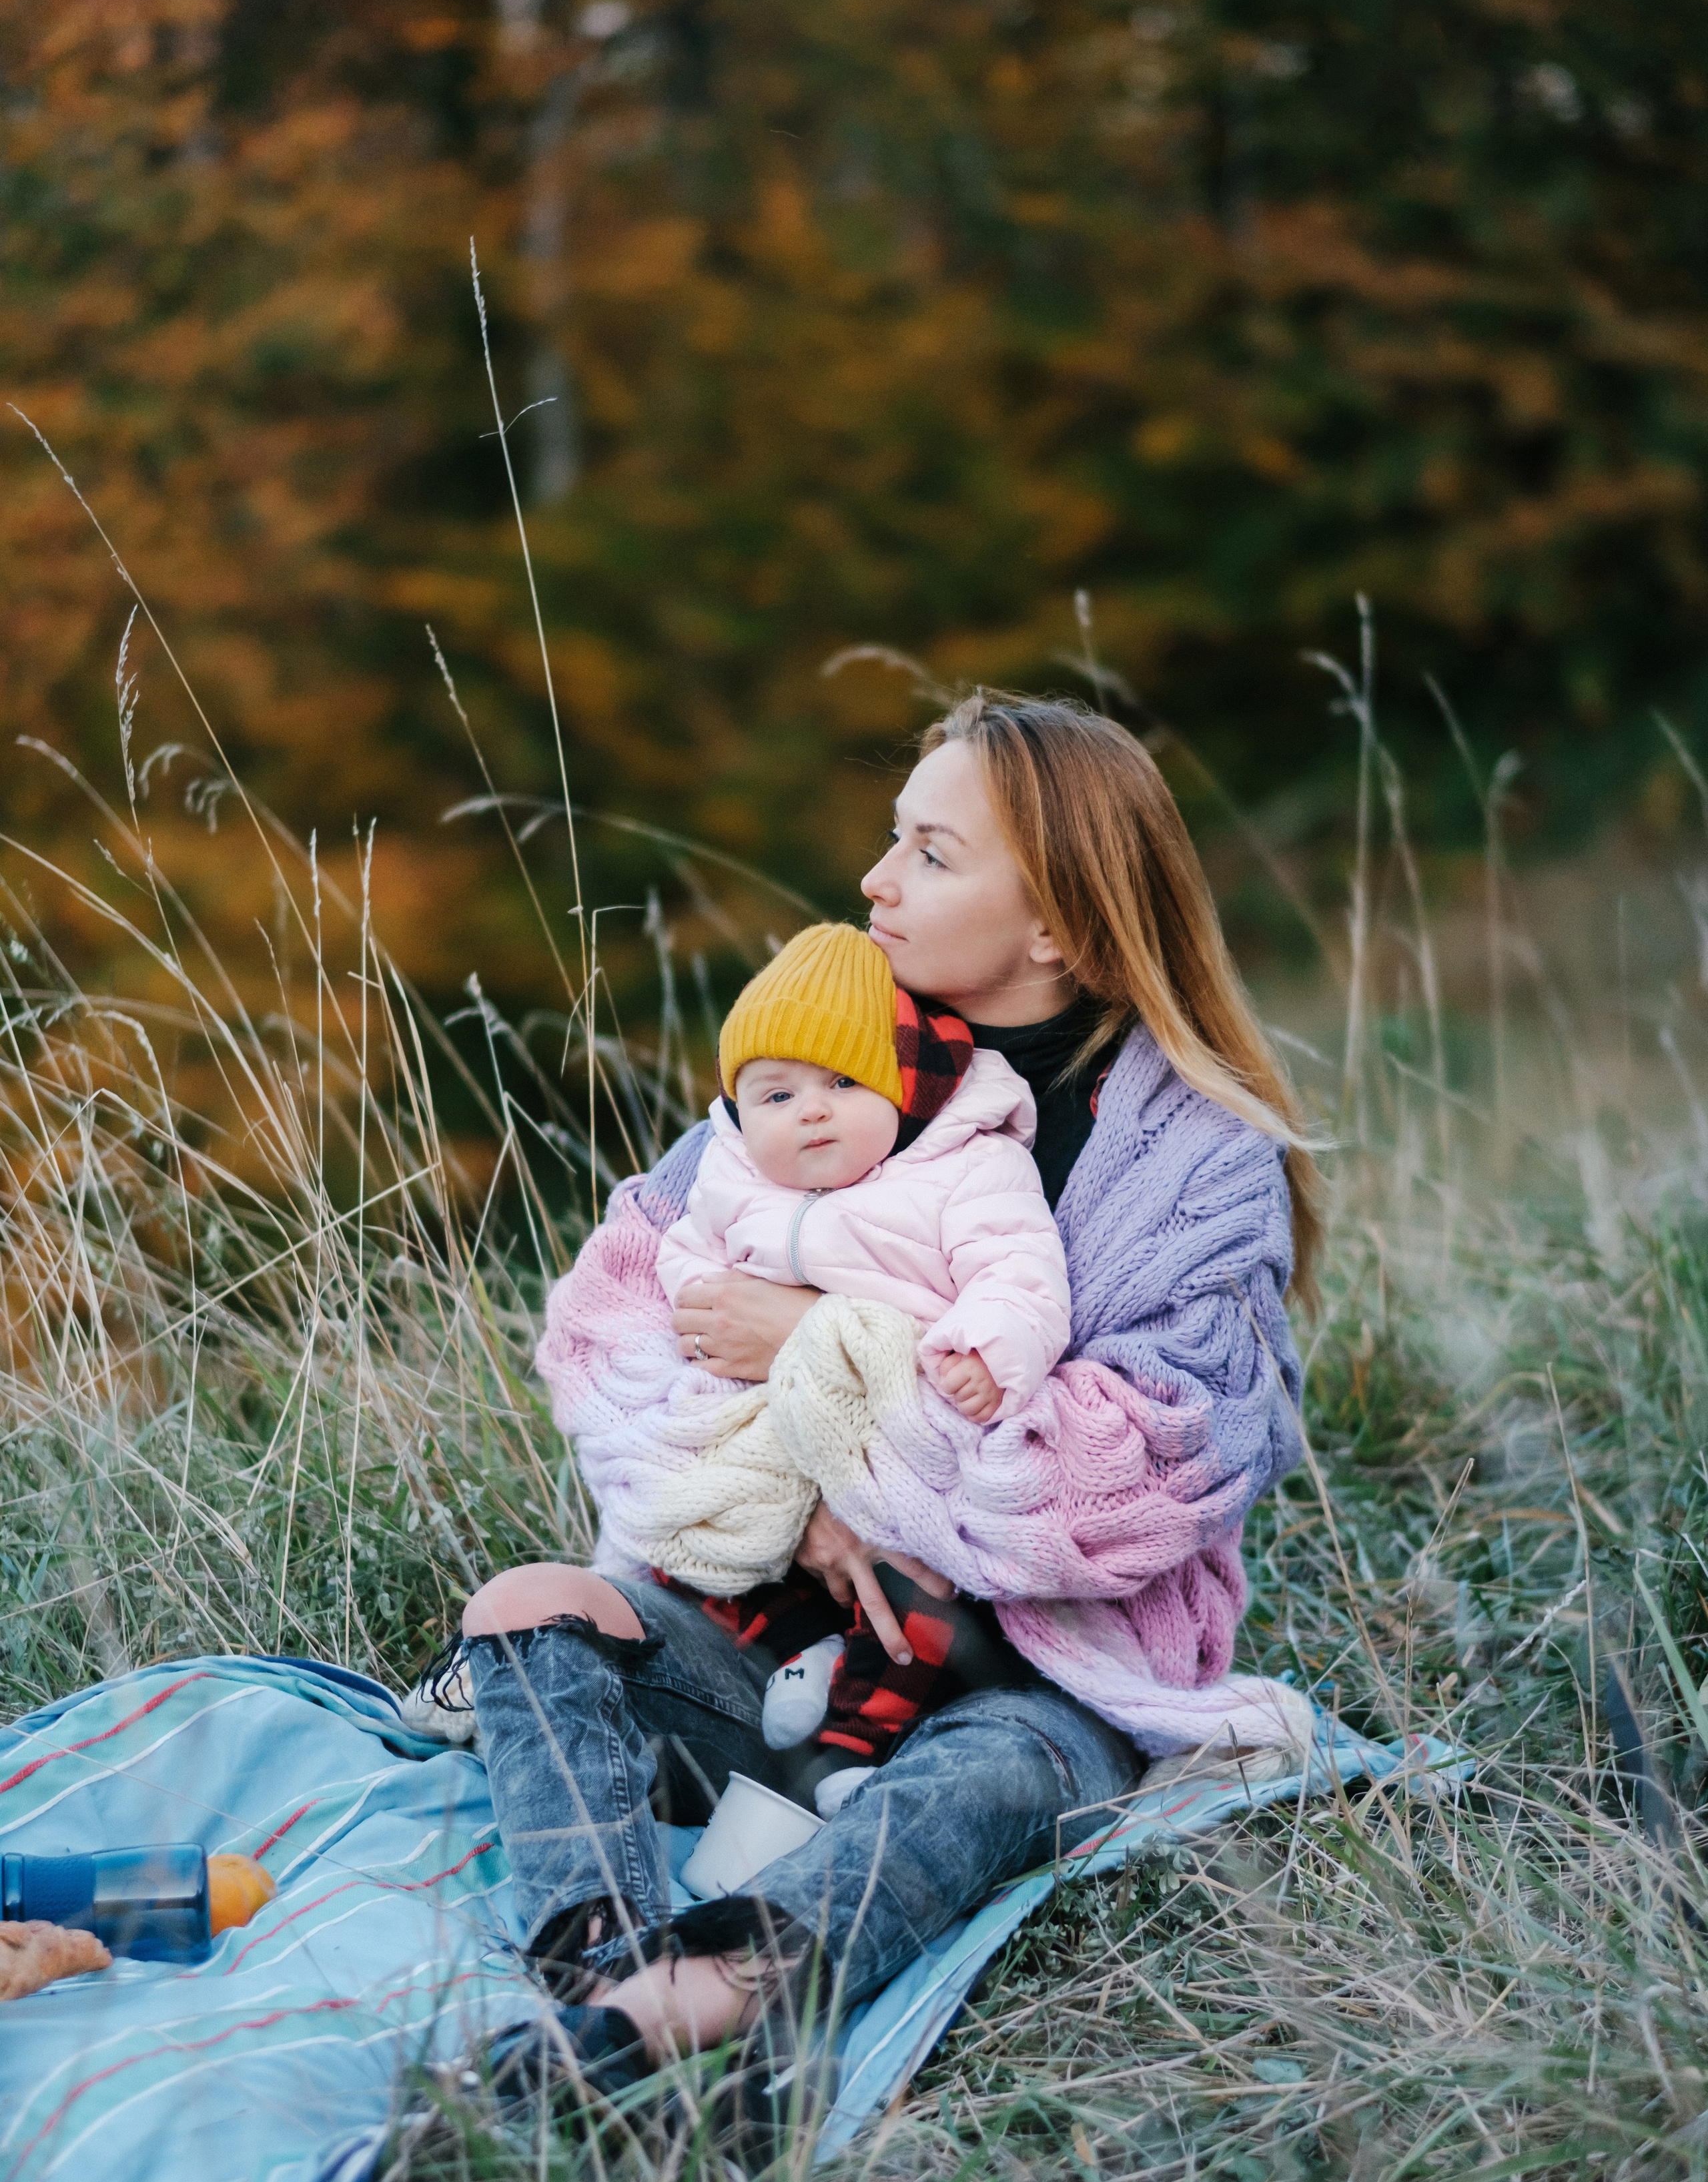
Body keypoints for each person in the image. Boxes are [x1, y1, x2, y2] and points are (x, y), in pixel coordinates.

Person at [458, 693, 1322, 2105]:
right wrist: (793, 1509)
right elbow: (614, 1319)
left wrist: (822, 1369)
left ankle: (700, 1997)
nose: (874, 881)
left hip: (1031, 1677)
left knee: (992, 1774)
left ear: (1057, 924)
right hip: (759, 1633)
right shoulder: (820, 1064)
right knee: (530, 1608)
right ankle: (597, 1961)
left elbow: (1129, 1484)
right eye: (889, 839)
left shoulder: (1197, 1168)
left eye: (929, 852)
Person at [646, 916, 1072, 1810]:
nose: (811, 1109)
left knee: (914, 1594)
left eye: (844, 1082)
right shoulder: (731, 1177)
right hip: (773, 1428)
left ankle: (852, 1748)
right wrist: (700, 1305)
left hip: (900, 1422)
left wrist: (989, 1352)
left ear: (901, 1092)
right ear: (736, 1112)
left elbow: (1019, 1271)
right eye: (775, 1095)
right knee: (697, 1534)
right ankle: (802, 1647)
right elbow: (681, 1252)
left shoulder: (964, 1170)